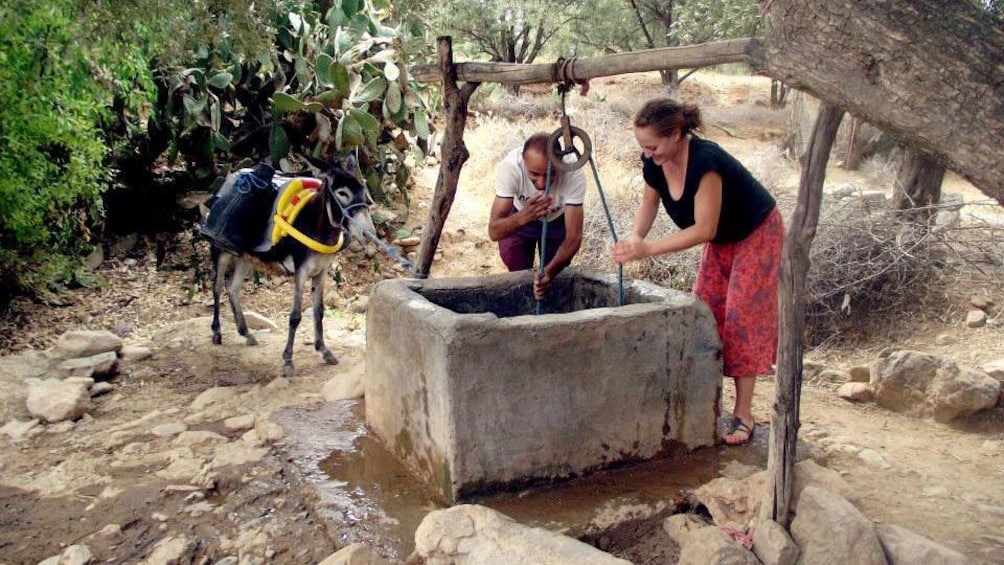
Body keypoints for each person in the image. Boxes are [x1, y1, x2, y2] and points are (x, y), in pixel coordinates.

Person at [612, 98, 784, 446]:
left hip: (756, 231)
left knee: (741, 317)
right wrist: (634, 239)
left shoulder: (706, 161)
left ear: (676, 134)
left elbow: (704, 229)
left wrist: (648, 249)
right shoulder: (654, 163)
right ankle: (710, 402)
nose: (648, 154)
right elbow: (649, 203)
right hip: (725, 237)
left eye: (653, 146)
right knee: (705, 310)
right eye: (643, 147)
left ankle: (744, 412)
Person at [489, 132, 586, 300]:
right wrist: (523, 217)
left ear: (560, 164)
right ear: (523, 161)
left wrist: (549, 272)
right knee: (519, 275)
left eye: (550, 174)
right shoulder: (511, 168)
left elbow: (573, 238)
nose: (542, 184)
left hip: (557, 221)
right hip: (519, 215)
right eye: (534, 174)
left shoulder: (573, 172)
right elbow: (494, 232)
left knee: (553, 280)